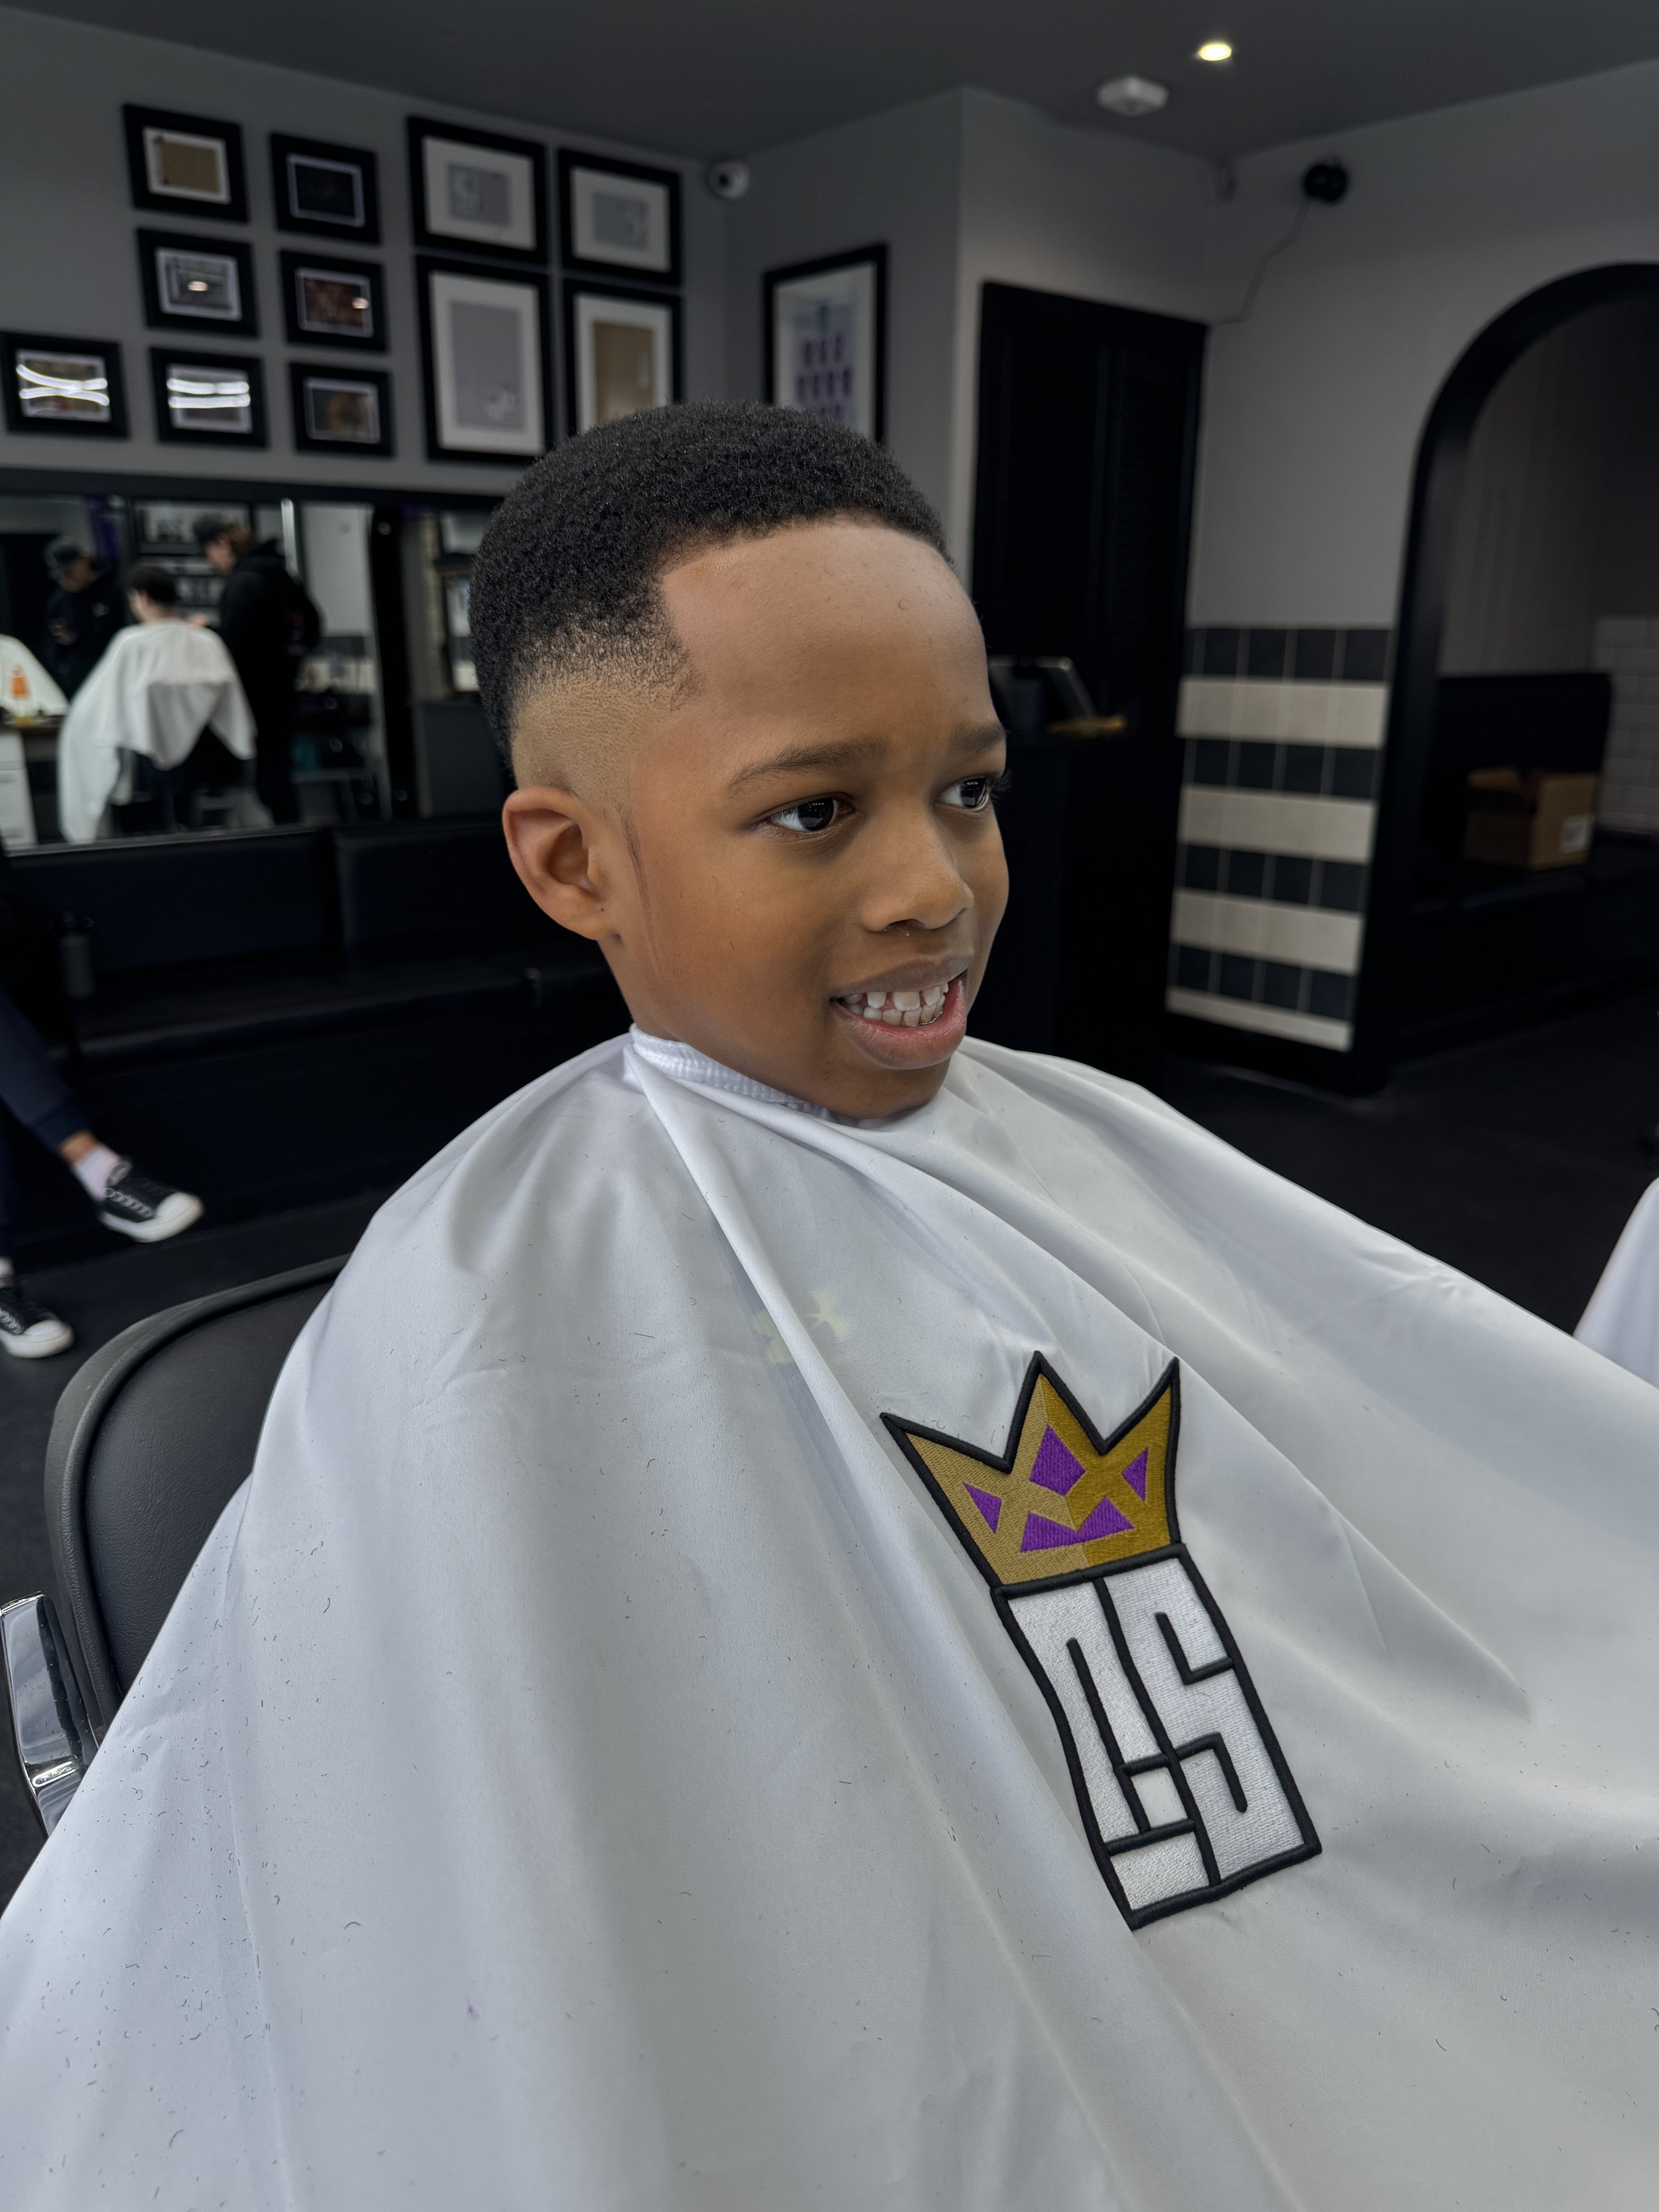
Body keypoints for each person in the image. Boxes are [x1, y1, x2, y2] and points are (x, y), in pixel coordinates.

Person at [2, 404, 1657, 2208]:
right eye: (814, 809)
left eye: (967, 787)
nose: (935, 887)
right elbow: (471, 1966)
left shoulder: (1098, 1143)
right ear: (572, 864)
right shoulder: (470, 1314)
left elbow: (1441, 1562)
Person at [56, 563, 254, 840]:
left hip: (154, 768)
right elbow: (236, 713)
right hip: (212, 760)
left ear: (142, 598)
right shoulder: (207, 641)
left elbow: (91, 711)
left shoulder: (132, 644)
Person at [192, 515, 321, 824]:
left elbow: (235, 646)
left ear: (222, 543)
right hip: (285, 690)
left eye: (209, 551)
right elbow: (312, 628)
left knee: (267, 780)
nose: (212, 561)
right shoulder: (281, 575)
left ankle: (287, 843)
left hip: (256, 696)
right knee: (277, 773)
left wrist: (208, 630)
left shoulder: (243, 582)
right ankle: (292, 837)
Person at [39, 538, 124, 699]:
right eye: (60, 576)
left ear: (84, 560)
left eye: (69, 572)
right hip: (81, 681)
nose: (65, 579)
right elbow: (53, 649)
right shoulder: (59, 602)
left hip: (115, 673)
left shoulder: (114, 588)